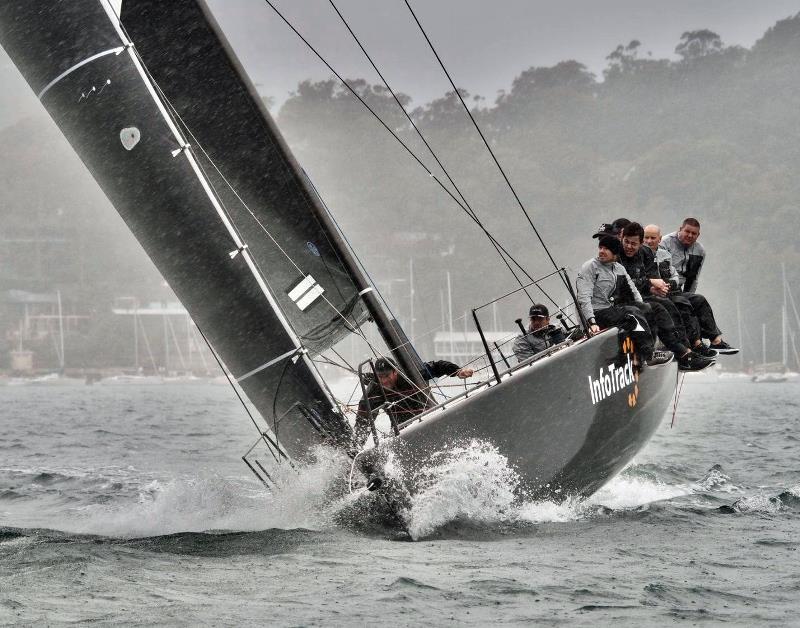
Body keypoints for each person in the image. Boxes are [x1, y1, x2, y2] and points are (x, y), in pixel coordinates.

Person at [618, 223, 714, 371]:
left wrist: (655, 288)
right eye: (627, 242)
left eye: (634, 244)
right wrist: (650, 283)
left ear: (640, 243)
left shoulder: (646, 253)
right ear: (622, 239)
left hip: (641, 295)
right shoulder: (617, 255)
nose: (629, 247)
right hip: (623, 298)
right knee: (657, 309)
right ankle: (683, 353)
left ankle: (687, 351)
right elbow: (624, 282)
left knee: (669, 304)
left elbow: (649, 278)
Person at [576, 235, 664, 366]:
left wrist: (642, 306)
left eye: (606, 249)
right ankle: (649, 355)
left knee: (646, 309)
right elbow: (583, 298)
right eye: (600, 247)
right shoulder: (590, 267)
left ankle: (647, 350)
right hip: (596, 313)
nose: (601, 251)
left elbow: (633, 291)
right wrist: (591, 322)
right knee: (631, 313)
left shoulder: (619, 268)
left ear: (615, 253)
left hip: (609, 310)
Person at [656, 220, 738, 354]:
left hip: (680, 290)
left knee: (698, 300)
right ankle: (696, 343)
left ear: (698, 235)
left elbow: (693, 278)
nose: (689, 235)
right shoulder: (665, 243)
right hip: (664, 287)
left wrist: (689, 297)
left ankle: (716, 341)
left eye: (693, 233)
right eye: (687, 231)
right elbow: (659, 269)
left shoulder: (699, 250)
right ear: (680, 229)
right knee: (684, 303)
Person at [353, 356, 474, 448]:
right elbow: (363, 420)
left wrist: (458, 371)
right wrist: (357, 445)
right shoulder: (374, 389)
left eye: (386, 375)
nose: (383, 380)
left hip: (429, 418)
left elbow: (437, 366)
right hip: (402, 431)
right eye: (380, 376)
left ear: (395, 371)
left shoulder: (409, 374)